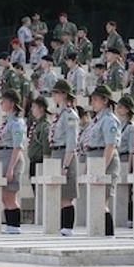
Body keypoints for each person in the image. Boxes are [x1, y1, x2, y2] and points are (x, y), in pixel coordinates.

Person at [79, 85, 119, 236]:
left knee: (101, 202)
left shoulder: (109, 120)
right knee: (96, 201)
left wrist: (102, 167)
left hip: (104, 159)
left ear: (105, 100)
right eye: (92, 99)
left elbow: (110, 145)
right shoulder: (96, 120)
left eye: (96, 99)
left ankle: (108, 234)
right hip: (94, 158)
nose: (93, 102)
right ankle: (99, 232)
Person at [48, 80, 80, 235]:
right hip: (56, 152)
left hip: (65, 154)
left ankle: (67, 228)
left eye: (56, 92)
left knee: (66, 195)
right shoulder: (58, 114)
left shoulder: (69, 115)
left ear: (64, 94)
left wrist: (66, 165)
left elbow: (72, 142)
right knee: (58, 194)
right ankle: (61, 226)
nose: (54, 96)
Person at [0, 90, 27, 234]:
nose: (1, 104)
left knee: (10, 194)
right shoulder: (7, 121)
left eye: (4, 101)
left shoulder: (17, 123)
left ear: (12, 104)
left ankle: (14, 225)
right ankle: (10, 224)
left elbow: (17, 146)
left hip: (11, 156)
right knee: (3, 194)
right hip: (3, 155)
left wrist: (11, 168)